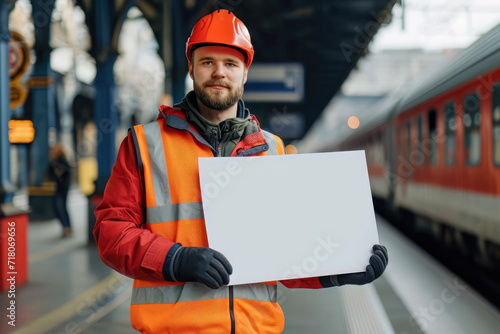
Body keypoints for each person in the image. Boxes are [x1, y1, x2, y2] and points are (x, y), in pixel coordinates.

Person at [94, 9, 388, 334]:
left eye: (230, 64)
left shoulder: (273, 149)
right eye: (207, 62)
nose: (219, 72)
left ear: (245, 73)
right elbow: (111, 232)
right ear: (191, 68)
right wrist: (175, 259)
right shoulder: (143, 144)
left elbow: (285, 252)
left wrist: (340, 268)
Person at [48, 143, 73, 237]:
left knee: (62, 206)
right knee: (56, 207)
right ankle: (65, 226)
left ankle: (67, 227)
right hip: (57, 188)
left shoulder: (64, 161)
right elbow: (49, 174)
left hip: (64, 187)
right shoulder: (52, 163)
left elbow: (68, 173)